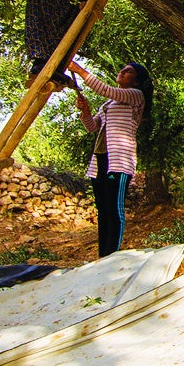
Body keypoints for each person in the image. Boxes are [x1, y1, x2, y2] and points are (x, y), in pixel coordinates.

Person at [69, 58, 148, 257]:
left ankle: (111, 256)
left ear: (136, 81)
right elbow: (92, 127)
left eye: (128, 71)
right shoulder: (108, 104)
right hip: (100, 160)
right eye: (122, 69)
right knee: (103, 211)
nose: (122, 71)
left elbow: (106, 90)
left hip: (119, 163)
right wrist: (85, 111)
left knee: (114, 210)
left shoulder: (136, 96)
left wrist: (78, 69)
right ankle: (102, 256)